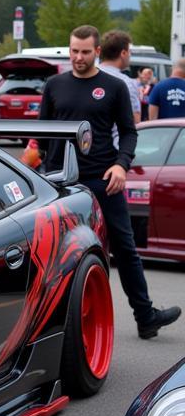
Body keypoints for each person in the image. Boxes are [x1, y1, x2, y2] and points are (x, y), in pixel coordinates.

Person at [38, 25, 179, 339]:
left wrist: (121, 165)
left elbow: (129, 132)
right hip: (61, 185)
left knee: (125, 249)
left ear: (97, 52)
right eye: (74, 51)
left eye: (85, 52)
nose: (78, 57)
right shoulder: (55, 85)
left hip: (104, 180)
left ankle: (146, 317)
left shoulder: (112, 86)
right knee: (56, 254)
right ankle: (49, 326)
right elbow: (42, 135)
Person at [98, 30, 142, 123]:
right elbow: (135, 120)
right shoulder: (127, 83)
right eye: (129, 52)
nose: (130, 55)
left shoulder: (88, 75)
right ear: (123, 53)